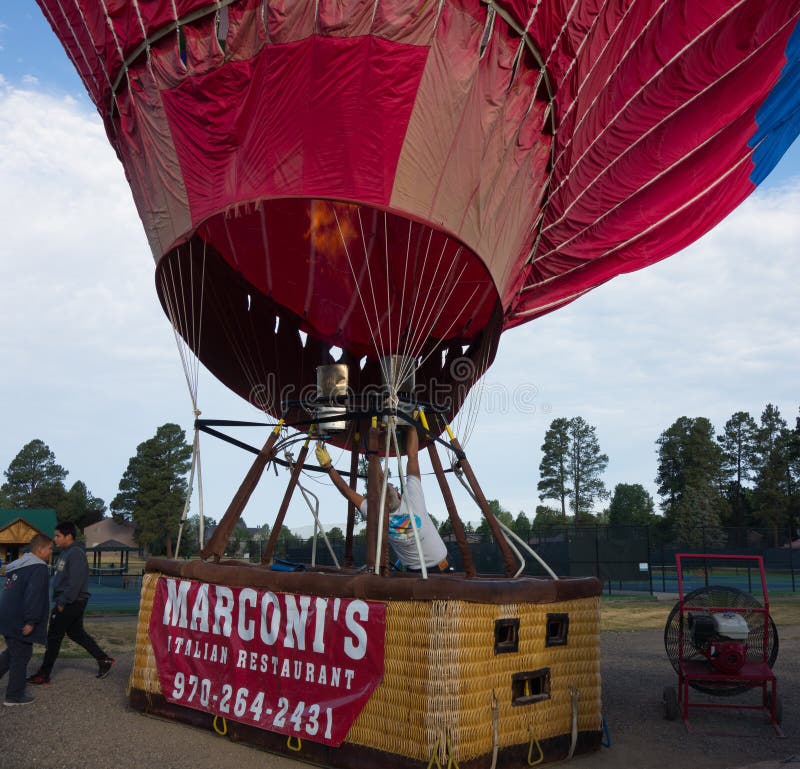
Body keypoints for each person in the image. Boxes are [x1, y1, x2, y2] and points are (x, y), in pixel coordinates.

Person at [317, 426, 449, 571]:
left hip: (414, 575)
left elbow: (346, 490)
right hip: (440, 567)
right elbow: (413, 457)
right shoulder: (413, 502)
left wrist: (328, 466)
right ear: (399, 495)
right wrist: (410, 426)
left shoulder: (376, 514)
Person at [27, 522, 115, 684]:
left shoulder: (75, 554)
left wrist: (62, 602)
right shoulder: (65, 552)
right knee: (76, 633)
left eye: (58, 535)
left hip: (70, 602)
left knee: (54, 637)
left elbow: (74, 583)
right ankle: (104, 659)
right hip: (69, 601)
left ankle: (44, 674)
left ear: (69, 536)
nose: (55, 539)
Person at [0, 533, 53, 705]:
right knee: (21, 655)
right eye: (50, 548)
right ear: (40, 549)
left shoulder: (18, 566)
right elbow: (34, 596)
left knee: (12, 653)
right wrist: (31, 621)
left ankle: (14, 693)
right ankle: (14, 696)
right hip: (20, 619)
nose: (51, 552)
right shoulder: (39, 568)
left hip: (6, 616)